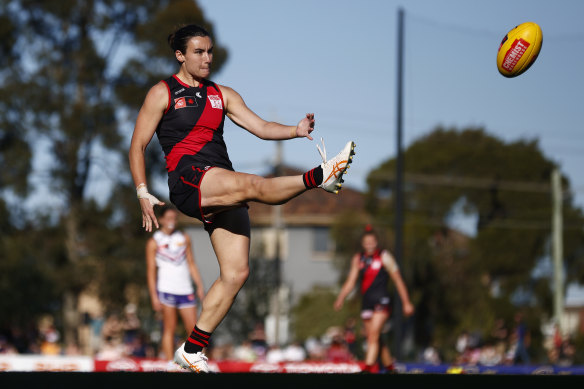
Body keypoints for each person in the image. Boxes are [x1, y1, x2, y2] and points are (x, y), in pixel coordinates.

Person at [129, 24, 355, 372]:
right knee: (254, 184)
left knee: (236, 273)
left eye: (210, 51)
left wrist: (294, 131)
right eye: (198, 52)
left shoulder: (223, 94)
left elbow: (262, 127)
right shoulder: (163, 92)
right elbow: (137, 145)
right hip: (190, 179)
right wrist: (143, 191)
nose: (207, 59)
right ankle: (320, 176)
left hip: (220, 181)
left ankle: (191, 350)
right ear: (180, 55)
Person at [333, 226, 414, 373]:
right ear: (363, 244)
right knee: (374, 338)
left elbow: (398, 280)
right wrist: (341, 297)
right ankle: (390, 368)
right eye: (367, 242)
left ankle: (368, 367)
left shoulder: (385, 256)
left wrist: (406, 302)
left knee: (374, 334)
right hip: (367, 303)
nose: (370, 244)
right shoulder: (358, 259)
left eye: (372, 241)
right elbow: (351, 281)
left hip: (382, 301)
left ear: (376, 242)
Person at [146, 205, 205, 362]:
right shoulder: (154, 242)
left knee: (194, 329)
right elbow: (151, 271)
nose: (172, 221)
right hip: (166, 289)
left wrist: (199, 285)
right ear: (162, 220)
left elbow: (191, 263)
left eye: (174, 218)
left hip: (185, 288)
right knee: (169, 328)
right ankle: (169, 364)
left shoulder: (184, 238)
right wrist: (154, 296)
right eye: (169, 218)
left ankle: (196, 361)